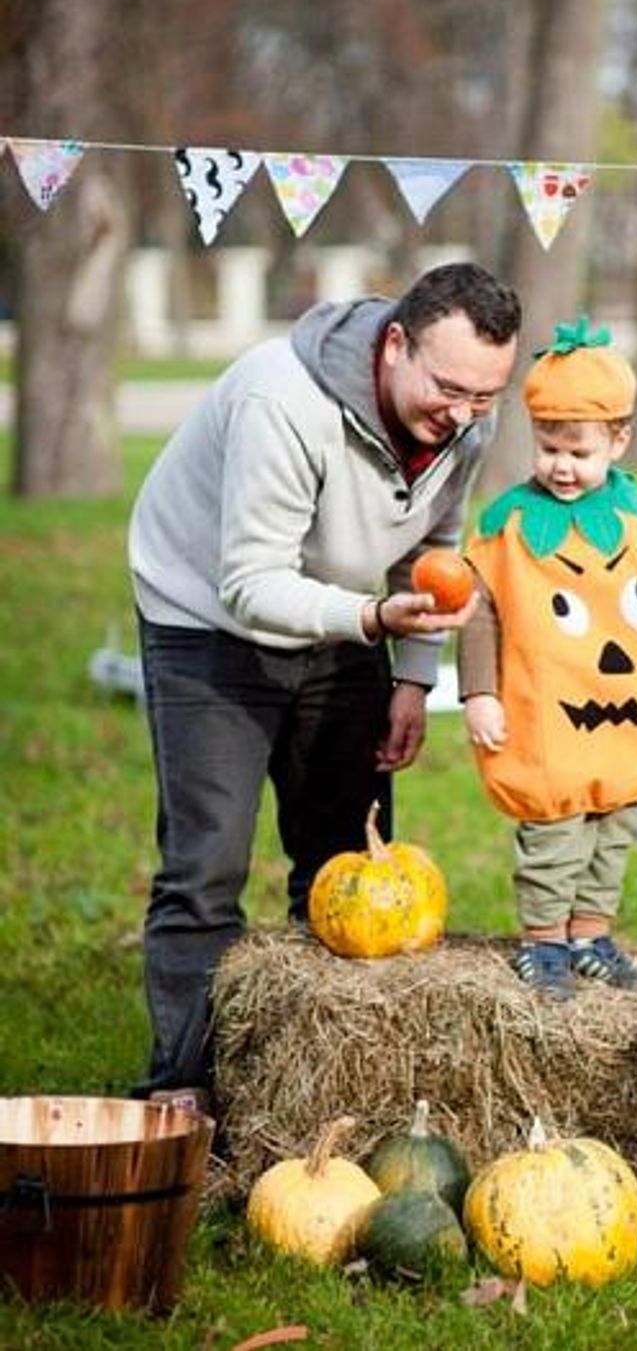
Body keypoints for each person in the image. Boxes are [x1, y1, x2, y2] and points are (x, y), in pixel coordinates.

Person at [128, 262, 520, 1105]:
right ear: (392, 345)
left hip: (353, 610)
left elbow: (437, 550)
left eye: (485, 396)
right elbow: (251, 584)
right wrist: (376, 620)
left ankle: (327, 1084)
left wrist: (413, 681)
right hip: (208, 617)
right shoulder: (284, 400)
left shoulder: (466, 423)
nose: (461, 413)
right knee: (207, 864)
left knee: (347, 857)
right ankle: (185, 1089)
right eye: (448, 386)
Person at [458, 317, 637, 1001]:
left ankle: (590, 934)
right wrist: (478, 691)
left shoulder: (636, 516)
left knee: (613, 829)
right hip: (551, 709)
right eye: (548, 447)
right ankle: (543, 942)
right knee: (553, 830)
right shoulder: (507, 525)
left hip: (625, 713)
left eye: (579, 450)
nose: (561, 465)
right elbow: (480, 609)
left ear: (618, 440)